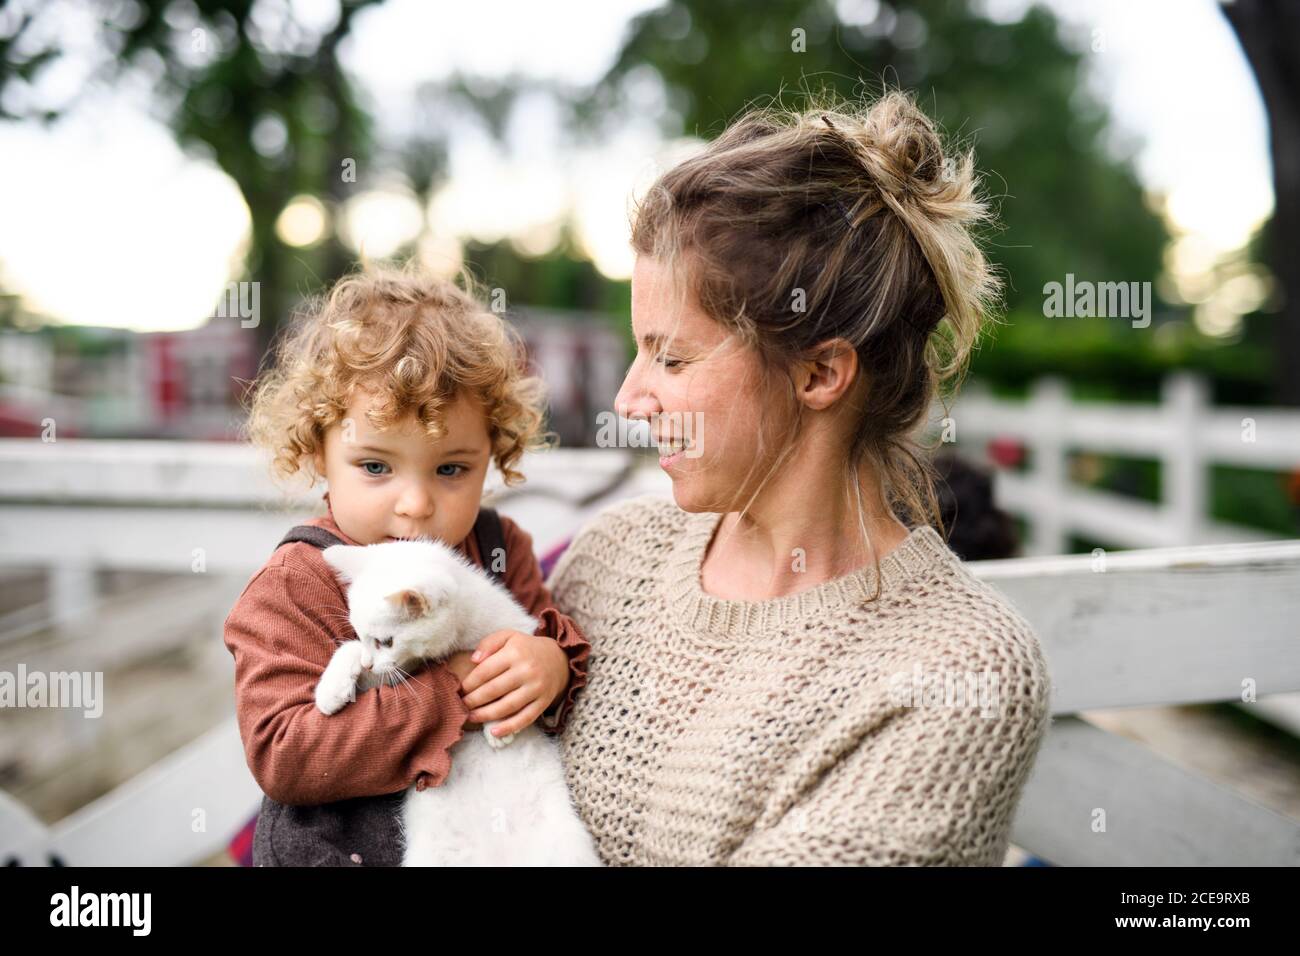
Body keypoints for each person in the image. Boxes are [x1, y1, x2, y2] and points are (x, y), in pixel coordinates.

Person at [544, 88, 1054, 866]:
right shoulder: (610, 562)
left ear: (819, 374)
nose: (628, 399)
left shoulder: (959, 670)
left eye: (672, 357)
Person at [223, 262, 590, 866]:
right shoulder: (296, 583)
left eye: (451, 469)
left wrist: (549, 666)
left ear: (492, 454)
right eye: (375, 467)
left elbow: (553, 651)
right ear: (318, 449)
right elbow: (284, 753)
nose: (416, 504)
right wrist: (454, 694)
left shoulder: (499, 547)